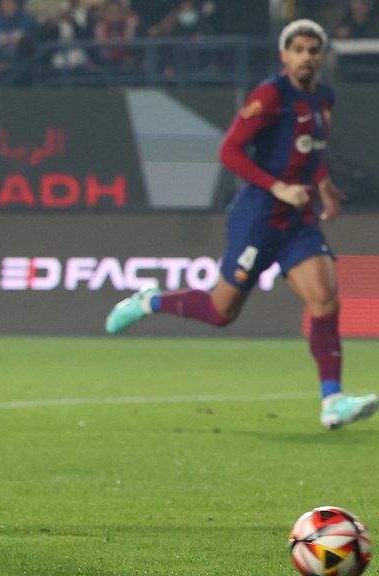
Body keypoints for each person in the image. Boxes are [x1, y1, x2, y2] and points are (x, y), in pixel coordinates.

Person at [104, 19, 378, 431]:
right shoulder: (271, 94)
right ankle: (149, 301)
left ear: (321, 56)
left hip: (298, 222)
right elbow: (229, 151)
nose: (306, 56)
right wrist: (277, 186)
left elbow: (310, 150)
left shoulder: (324, 97)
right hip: (258, 219)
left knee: (325, 299)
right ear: (285, 56)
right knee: (221, 312)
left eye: (313, 49)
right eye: (298, 49)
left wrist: (323, 184)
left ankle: (332, 401)